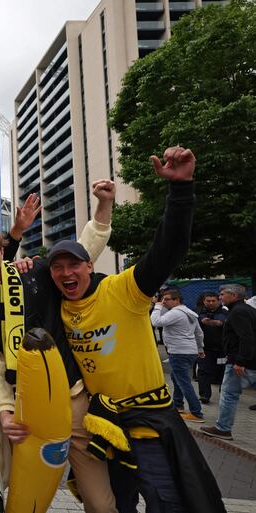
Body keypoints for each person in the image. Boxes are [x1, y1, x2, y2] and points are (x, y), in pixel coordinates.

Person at [47, 147, 224, 513]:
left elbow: (168, 248)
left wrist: (181, 189)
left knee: (165, 501)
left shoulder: (124, 289)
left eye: (73, 264)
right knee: (117, 503)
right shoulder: (57, 309)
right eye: (57, 268)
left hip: (147, 422)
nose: (66, 273)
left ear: (89, 265)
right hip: (103, 423)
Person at [0, 180, 119, 513]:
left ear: (2, 251)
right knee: (19, 497)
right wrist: (4, 411)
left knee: (101, 503)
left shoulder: (33, 273)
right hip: (22, 408)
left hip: (72, 400)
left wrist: (104, 204)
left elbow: (84, 251)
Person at [200, 284, 256, 440]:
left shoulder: (238, 312)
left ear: (234, 296)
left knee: (229, 395)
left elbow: (246, 337)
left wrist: (240, 361)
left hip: (240, 362)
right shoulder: (246, 310)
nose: (220, 297)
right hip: (248, 360)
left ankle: (223, 428)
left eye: (223, 294)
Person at [150, 289, 206, 422]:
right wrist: (200, 348)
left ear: (177, 300)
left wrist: (157, 306)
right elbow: (199, 333)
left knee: (184, 382)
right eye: (163, 299)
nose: (164, 301)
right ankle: (178, 405)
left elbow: (156, 322)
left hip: (178, 352)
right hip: (189, 351)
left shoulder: (175, 313)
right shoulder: (189, 312)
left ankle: (196, 413)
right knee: (176, 378)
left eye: (167, 299)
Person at [196, 292, 227, 404]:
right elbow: (204, 320)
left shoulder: (224, 311)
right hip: (205, 349)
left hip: (222, 350)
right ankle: (204, 395)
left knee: (223, 372)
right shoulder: (199, 311)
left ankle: (224, 394)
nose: (210, 303)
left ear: (218, 301)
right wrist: (206, 320)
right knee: (203, 371)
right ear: (204, 301)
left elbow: (219, 322)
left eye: (213, 301)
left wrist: (207, 321)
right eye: (208, 301)